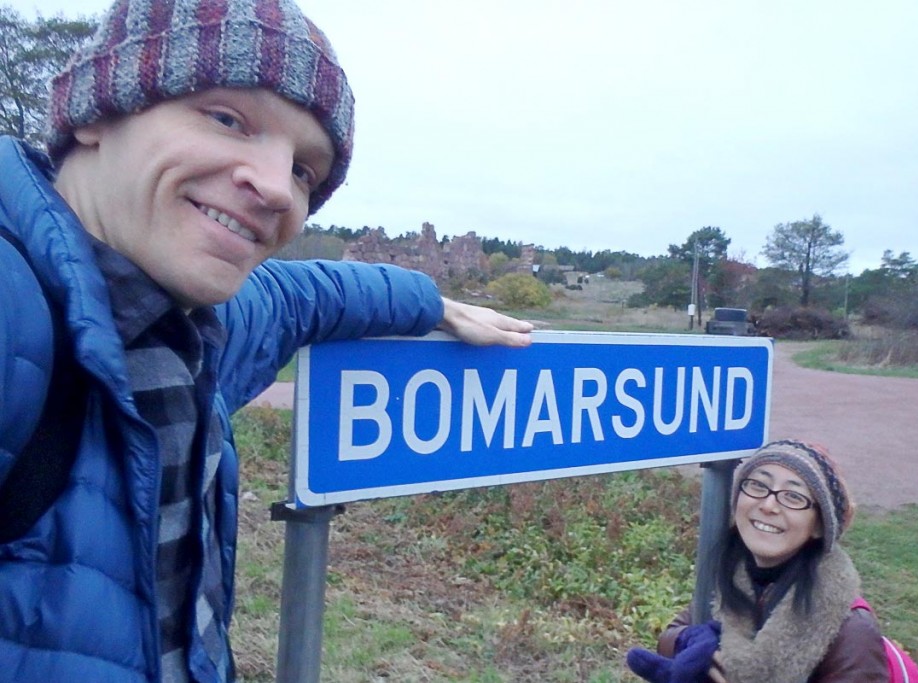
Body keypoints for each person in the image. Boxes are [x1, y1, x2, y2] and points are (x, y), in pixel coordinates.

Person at [0, 0, 532, 681]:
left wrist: (433, 304)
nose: (278, 188)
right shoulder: (19, 311)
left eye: (305, 170)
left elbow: (303, 297)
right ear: (96, 113)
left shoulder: (193, 325)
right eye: (227, 119)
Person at [626, 439, 890, 682]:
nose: (768, 505)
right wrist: (691, 643)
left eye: (793, 496)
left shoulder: (852, 631)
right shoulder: (731, 580)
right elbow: (674, 632)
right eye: (758, 485)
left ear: (819, 526)